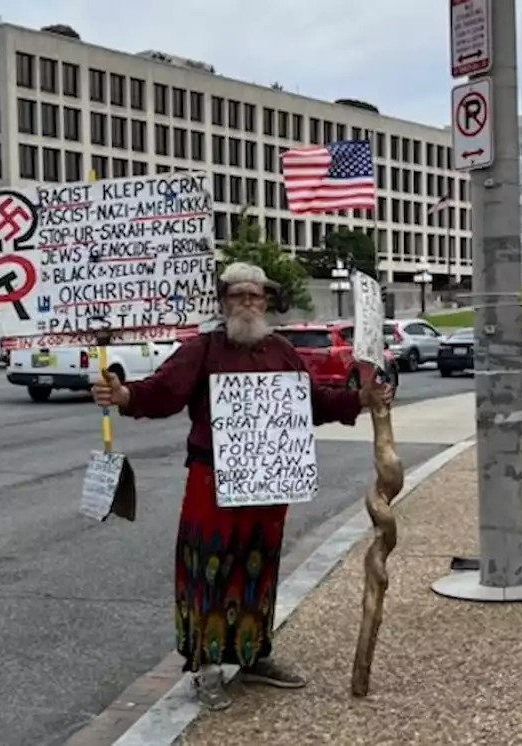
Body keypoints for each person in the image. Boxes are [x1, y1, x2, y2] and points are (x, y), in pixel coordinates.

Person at [90, 262, 393, 711]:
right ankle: (206, 666)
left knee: (258, 567)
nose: (247, 303)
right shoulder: (202, 350)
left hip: (268, 483)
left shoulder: (284, 352)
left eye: (255, 296)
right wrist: (124, 395)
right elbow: (163, 392)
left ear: (266, 302)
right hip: (211, 480)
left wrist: (361, 400)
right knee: (207, 569)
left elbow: (313, 403)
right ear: (224, 301)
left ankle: (252, 655)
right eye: (238, 295)